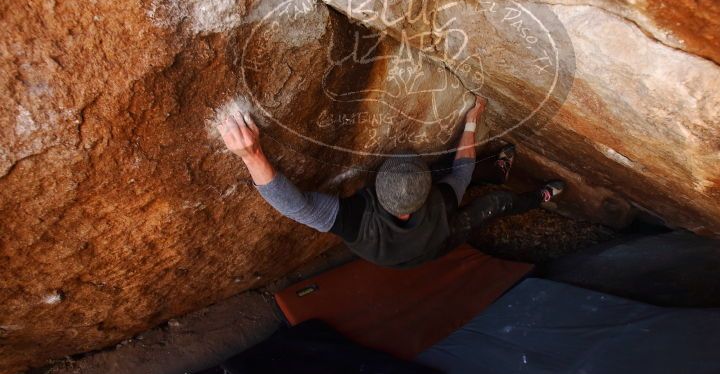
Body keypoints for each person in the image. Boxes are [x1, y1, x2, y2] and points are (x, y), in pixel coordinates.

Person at [217, 96, 564, 268]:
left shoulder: (355, 220)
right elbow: (462, 169)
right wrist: (472, 121)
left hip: (389, 255)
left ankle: (497, 171)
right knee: (493, 204)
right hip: (436, 242)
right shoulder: (439, 202)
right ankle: (538, 197)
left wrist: (252, 155)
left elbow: (298, 207)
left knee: (466, 178)